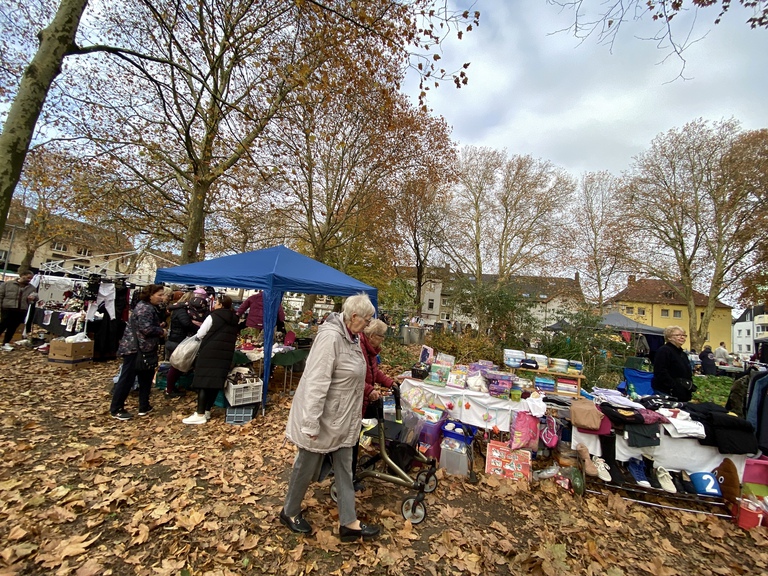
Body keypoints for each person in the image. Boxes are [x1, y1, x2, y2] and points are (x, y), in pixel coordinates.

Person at [280, 293, 381, 542]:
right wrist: (310, 422)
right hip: (323, 419)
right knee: (306, 465)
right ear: (354, 316)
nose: (369, 324)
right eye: (367, 319)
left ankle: (349, 523)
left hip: (344, 418)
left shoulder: (353, 337)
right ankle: (289, 511)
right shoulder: (330, 338)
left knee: (345, 469)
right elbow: (316, 382)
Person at [110, 284, 167, 420]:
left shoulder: (150, 308)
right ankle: (116, 408)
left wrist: (157, 326)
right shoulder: (144, 308)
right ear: (150, 295)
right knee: (127, 379)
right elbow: (146, 329)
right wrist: (161, 331)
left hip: (145, 349)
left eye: (163, 295)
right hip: (135, 349)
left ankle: (144, 405)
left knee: (146, 378)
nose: (162, 298)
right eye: (159, 295)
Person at [351, 318, 396, 489]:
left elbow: (374, 372)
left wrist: (390, 382)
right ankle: (349, 478)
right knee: (352, 441)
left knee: (383, 413)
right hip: (355, 400)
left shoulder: (371, 351)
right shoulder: (359, 349)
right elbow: (353, 377)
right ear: (371, 336)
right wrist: (369, 390)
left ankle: (384, 451)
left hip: (363, 399)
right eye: (381, 336)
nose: (383, 339)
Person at [182, 295, 240, 425]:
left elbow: (201, 333)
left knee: (203, 382)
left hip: (209, 352)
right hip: (225, 354)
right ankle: (207, 410)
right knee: (215, 383)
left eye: (216, 303)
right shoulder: (234, 319)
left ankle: (200, 413)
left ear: (220, 304)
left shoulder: (213, 316)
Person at [164, 291, 206, 398]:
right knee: (176, 367)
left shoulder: (181, 310)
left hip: (179, 341)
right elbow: (186, 324)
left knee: (179, 367)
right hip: (177, 342)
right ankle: (169, 390)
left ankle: (172, 388)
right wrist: (198, 327)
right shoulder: (181, 311)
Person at [651, 325, 696, 402]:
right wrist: (674, 386)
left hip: (682, 391)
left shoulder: (682, 354)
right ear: (669, 337)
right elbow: (660, 371)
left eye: (684, 335)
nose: (682, 337)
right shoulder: (664, 350)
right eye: (678, 335)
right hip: (666, 391)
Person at [0, 270, 38, 351]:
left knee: (13, 327)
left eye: (30, 279)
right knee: (3, 325)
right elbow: (1, 295)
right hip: (8, 308)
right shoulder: (7, 284)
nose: (29, 280)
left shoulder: (32, 288)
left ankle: (6, 343)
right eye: (28, 278)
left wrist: (33, 298)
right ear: (22, 275)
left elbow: (35, 299)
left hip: (21, 310)